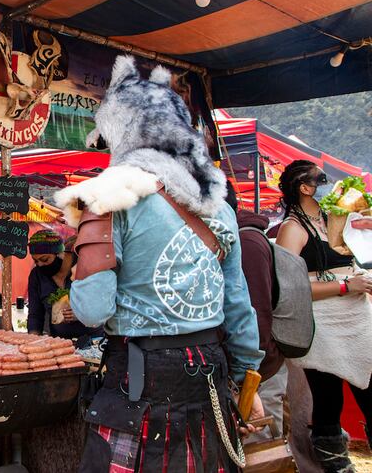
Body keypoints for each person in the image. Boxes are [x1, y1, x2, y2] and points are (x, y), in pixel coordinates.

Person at [56, 55, 263, 472]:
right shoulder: (217, 207)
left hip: (141, 379)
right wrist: (245, 379)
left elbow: (93, 309)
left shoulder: (108, 199)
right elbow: (239, 305)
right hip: (211, 371)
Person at [276, 160, 372, 472]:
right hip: (325, 324)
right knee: (328, 401)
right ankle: (337, 468)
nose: (327, 184)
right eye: (320, 179)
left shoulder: (333, 218)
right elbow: (292, 286)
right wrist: (346, 284)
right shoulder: (292, 228)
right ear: (304, 188)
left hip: (357, 318)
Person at [225, 184, 288, 446]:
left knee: (262, 452)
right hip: (254, 367)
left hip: (260, 370)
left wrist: (249, 374)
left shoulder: (246, 242)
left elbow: (255, 310)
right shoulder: (241, 238)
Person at [27, 229, 98, 343]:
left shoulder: (84, 266)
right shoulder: (37, 276)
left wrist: (83, 314)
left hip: (94, 342)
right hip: (59, 343)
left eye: (44, 259)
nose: (40, 265)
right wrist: (33, 341)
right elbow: (35, 315)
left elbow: (106, 304)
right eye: (35, 261)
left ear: (60, 253)